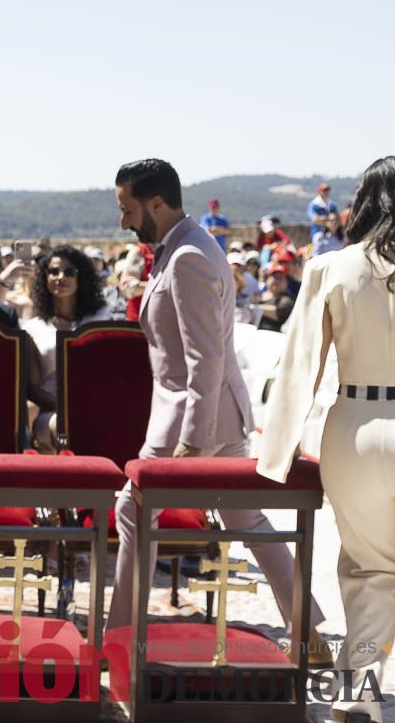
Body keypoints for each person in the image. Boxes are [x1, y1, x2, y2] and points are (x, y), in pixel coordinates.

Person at [104, 159, 328, 651]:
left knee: (132, 512)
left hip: (190, 420)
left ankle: (120, 640)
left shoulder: (187, 255)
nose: (122, 221)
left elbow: (203, 358)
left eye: (127, 209)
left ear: (156, 203)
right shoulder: (185, 247)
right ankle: (308, 632)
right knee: (246, 520)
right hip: (205, 416)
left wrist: (191, 438)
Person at [257, 156, 395, 723]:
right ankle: (356, 689)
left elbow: (300, 368)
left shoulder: (331, 268)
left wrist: (278, 451)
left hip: (357, 427)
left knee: (369, 569)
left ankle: (356, 690)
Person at [21, 244, 111, 449]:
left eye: (69, 272)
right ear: (44, 278)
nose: (61, 277)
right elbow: (33, 388)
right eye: (53, 271)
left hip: (97, 405)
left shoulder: (99, 318)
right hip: (52, 412)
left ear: (82, 278)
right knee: (67, 425)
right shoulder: (33, 328)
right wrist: (66, 407)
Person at [255, 263, 295, 333]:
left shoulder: (288, 299)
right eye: (274, 277)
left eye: (281, 278)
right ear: (267, 279)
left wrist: (255, 308)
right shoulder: (258, 295)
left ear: (287, 282)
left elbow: (280, 313)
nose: (277, 281)